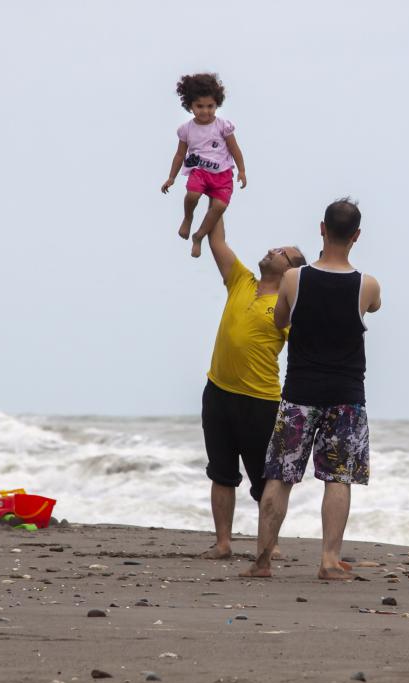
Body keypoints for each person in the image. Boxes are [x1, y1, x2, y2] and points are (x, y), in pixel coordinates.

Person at [242, 198, 381, 580]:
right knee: (338, 478)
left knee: (280, 475)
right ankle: (329, 560)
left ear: (322, 228)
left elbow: (280, 321)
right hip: (346, 395)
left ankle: (263, 560)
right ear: (356, 236)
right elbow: (375, 307)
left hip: (299, 391)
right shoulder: (366, 285)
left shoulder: (293, 279)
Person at [198, 216, 306, 558]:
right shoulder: (241, 280)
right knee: (221, 473)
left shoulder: (288, 306)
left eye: (282, 253)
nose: (272, 251)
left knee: (266, 482)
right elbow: (217, 241)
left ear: (291, 271)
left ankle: (268, 546)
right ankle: (223, 543)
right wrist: (219, 192)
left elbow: (304, 350)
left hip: (260, 401)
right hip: (218, 392)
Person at [160, 72, 247, 259]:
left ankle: (199, 235)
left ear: (217, 104)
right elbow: (179, 154)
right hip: (199, 171)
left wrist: (242, 170)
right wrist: (171, 177)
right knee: (192, 195)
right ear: (190, 106)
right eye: (199, 106)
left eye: (210, 106)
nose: (205, 111)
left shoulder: (223, 126)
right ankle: (188, 217)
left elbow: (235, 149)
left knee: (219, 207)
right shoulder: (186, 130)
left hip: (222, 174)